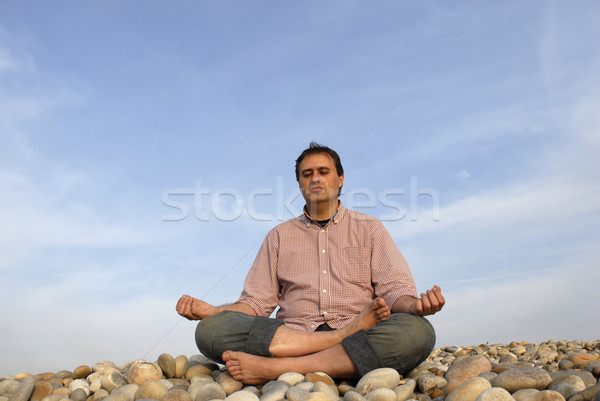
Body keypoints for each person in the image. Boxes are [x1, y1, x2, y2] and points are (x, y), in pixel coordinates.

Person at [176, 142, 445, 384]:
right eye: (307, 174)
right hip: (293, 336)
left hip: (356, 331)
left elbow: (394, 289)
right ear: (301, 185)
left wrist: (416, 306)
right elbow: (256, 303)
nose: (315, 178)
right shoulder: (279, 236)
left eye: (323, 171)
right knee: (209, 331)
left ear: (340, 179)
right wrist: (214, 311)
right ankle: (332, 349)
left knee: (418, 330)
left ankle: (278, 368)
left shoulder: (370, 228)